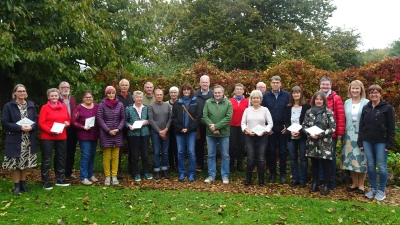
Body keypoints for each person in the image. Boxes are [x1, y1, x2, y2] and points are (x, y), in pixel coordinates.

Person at [357, 84, 395, 201]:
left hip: (381, 142)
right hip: (367, 141)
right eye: (371, 92)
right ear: (369, 94)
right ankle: (373, 188)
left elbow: (391, 127)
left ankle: (381, 190)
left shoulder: (387, 108)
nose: (374, 94)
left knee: (382, 166)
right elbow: (361, 125)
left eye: (376, 92)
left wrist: (389, 143)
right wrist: (360, 141)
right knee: (371, 166)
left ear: (380, 94)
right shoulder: (366, 108)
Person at [2, 84, 38, 195]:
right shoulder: (8, 106)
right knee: (15, 163)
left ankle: (23, 184)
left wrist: (32, 127)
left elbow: (36, 120)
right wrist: (19, 127)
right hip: (15, 138)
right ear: (15, 93)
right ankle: (16, 185)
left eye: (23, 91)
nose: (22, 93)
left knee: (25, 162)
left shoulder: (31, 105)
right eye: (19, 91)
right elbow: (4, 123)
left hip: (28, 138)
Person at [303, 92, 336, 196]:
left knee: (326, 164)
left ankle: (326, 185)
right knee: (314, 164)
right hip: (312, 142)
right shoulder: (309, 112)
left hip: (325, 142)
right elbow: (304, 126)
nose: (318, 101)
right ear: (314, 100)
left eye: (320, 99)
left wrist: (321, 134)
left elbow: (333, 128)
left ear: (324, 101)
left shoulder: (329, 112)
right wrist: (310, 133)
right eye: (316, 99)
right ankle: (314, 184)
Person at [340, 80, 369, 194]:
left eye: (357, 88)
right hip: (349, 134)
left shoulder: (366, 102)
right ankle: (354, 183)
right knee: (351, 159)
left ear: (361, 89)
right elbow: (344, 118)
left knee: (361, 159)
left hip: (361, 134)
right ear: (350, 89)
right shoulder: (346, 102)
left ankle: (361, 185)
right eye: (353, 88)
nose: (355, 90)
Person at [39, 88, 71, 190]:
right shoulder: (44, 108)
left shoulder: (64, 107)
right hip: (47, 136)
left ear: (59, 96)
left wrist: (67, 123)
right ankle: (46, 181)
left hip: (61, 136)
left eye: (56, 95)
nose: (54, 97)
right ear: (48, 97)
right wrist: (51, 131)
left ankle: (60, 179)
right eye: (52, 96)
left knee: (61, 158)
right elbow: (41, 123)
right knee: (47, 159)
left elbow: (68, 119)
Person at [317, 76, 345, 189]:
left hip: (331, 134)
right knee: (319, 157)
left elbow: (341, 116)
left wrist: (340, 132)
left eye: (327, 84)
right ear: (320, 85)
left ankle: (331, 180)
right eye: (323, 84)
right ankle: (321, 179)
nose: (325, 86)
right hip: (318, 133)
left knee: (331, 157)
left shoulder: (336, 98)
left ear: (331, 85)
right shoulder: (316, 97)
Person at [261, 76, 290, 183]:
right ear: (270, 83)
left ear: (281, 83)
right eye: (273, 82)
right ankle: (272, 173)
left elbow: (290, 112)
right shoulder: (266, 96)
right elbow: (262, 112)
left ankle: (283, 174)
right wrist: (267, 127)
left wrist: (287, 126)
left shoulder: (287, 95)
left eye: (277, 82)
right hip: (271, 128)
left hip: (283, 128)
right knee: (271, 151)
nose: (275, 84)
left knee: (283, 151)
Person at [241, 90, 273, 186]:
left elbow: (270, 123)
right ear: (251, 99)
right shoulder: (247, 110)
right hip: (250, 136)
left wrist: (265, 130)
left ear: (260, 99)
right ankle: (248, 179)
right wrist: (247, 131)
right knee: (250, 158)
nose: (255, 100)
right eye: (254, 98)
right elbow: (242, 123)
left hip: (262, 136)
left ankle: (261, 180)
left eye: (257, 98)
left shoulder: (265, 110)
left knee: (260, 159)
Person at [203, 85, 233, 184]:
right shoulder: (208, 102)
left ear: (223, 93)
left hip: (223, 134)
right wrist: (213, 128)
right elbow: (205, 116)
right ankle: (211, 175)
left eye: (219, 92)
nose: (217, 94)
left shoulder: (228, 103)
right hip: (210, 133)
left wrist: (216, 126)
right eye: (215, 92)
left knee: (225, 155)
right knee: (211, 155)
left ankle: (225, 176)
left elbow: (228, 118)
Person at [172, 83, 201, 182]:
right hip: (179, 132)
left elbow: (197, 117)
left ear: (191, 90)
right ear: (182, 91)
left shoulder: (195, 101)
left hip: (191, 131)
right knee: (180, 152)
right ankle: (182, 172)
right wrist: (181, 128)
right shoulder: (177, 103)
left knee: (191, 152)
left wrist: (188, 129)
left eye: (188, 89)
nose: (186, 91)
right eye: (184, 89)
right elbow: (174, 118)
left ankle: (191, 173)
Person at [97, 86, 125, 186]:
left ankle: (114, 175)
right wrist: (108, 130)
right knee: (107, 156)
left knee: (115, 156)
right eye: (109, 93)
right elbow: (100, 119)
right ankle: (107, 176)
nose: (111, 95)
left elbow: (123, 118)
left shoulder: (120, 104)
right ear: (106, 94)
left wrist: (118, 129)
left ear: (115, 94)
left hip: (117, 133)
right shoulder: (102, 105)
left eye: (113, 93)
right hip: (106, 134)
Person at [71, 90, 100, 186]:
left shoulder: (96, 106)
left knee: (92, 155)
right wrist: (82, 127)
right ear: (83, 98)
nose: (88, 99)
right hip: (84, 135)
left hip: (94, 134)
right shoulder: (79, 108)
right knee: (85, 155)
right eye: (86, 97)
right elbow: (73, 121)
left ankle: (91, 174)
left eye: (90, 97)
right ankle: (83, 177)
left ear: (93, 98)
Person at [285, 86, 311, 188]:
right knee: (292, 158)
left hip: (302, 136)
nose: (296, 94)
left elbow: (308, 122)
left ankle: (302, 179)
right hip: (291, 136)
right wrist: (290, 131)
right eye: (294, 93)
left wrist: (300, 132)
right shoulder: (288, 107)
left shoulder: (306, 107)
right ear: (291, 95)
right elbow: (286, 121)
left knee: (303, 158)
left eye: (298, 92)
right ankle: (295, 178)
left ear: (301, 94)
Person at [126, 91, 153, 182]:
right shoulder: (129, 109)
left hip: (145, 133)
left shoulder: (146, 108)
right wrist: (129, 126)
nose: (139, 99)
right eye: (137, 97)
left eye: (141, 97)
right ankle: (136, 173)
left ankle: (145, 171)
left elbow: (151, 119)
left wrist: (147, 122)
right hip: (133, 134)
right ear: (133, 98)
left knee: (145, 154)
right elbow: (125, 121)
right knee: (134, 155)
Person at [148, 89, 172, 180]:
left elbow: (170, 118)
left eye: (160, 94)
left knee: (165, 152)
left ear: (163, 95)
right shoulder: (151, 106)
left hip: (166, 132)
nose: (159, 96)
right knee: (156, 152)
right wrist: (159, 131)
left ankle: (165, 169)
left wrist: (165, 130)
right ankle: (157, 171)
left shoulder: (167, 105)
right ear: (154, 96)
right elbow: (151, 120)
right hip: (155, 133)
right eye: (157, 95)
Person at [59, 81, 78, 181]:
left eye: (67, 87)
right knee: (60, 152)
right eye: (63, 87)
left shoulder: (73, 100)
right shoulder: (56, 99)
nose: (65, 89)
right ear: (59, 89)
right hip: (60, 128)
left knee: (71, 151)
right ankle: (59, 173)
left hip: (72, 129)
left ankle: (68, 172)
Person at [194, 75, 214, 172]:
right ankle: (199, 163)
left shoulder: (214, 94)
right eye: (203, 82)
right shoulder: (195, 94)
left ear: (209, 83)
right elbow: (192, 109)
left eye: (206, 82)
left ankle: (211, 166)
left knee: (211, 145)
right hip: (199, 124)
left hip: (211, 125)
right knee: (199, 145)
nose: (205, 84)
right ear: (200, 83)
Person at [116, 78, 134, 177]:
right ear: (119, 86)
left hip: (131, 126)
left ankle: (131, 169)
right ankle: (117, 170)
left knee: (132, 148)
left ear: (128, 86)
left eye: (126, 85)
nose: (124, 87)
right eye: (122, 85)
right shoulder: (116, 97)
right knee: (119, 148)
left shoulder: (132, 97)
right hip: (119, 126)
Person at [229, 83, 249, 172]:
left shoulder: (247, 102)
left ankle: (240, 164)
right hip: (231, 126)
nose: (239, 90)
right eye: (237, 89)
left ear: (243, 91)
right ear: (234, 91)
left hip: (242, 127)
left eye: (240, 89)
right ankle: (231, 164)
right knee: (232, 146)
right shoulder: (229, 101)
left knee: (241, 146)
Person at [167, 86, 179, 171]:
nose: (173, 94)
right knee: (169, 147)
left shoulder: (181, 103)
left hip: (178, 128)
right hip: (168, 128)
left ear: (178, 93)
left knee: (177, 147)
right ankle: (171, 165)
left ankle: (178, 165)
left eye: (175, 92)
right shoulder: (166, 104)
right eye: (171, 92)